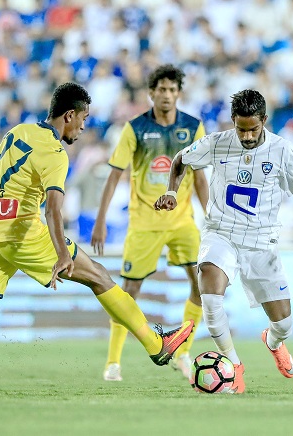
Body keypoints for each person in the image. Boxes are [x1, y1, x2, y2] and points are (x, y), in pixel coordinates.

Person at [0, 82, 194, 396]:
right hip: (23, 234)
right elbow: (54, 210)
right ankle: (157, 346)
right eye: (83, 119)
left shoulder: (18, 131)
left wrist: (6, 197)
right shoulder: (55, 153)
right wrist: (61, 253)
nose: (84, 127)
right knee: (98, 275)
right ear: (69, 115)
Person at [154, 89, 293, 394]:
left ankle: (273, 342)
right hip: (221, 232)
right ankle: (234, 366)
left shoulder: (283, 151)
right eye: (241, 129)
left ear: (264, 119)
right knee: (209, 292)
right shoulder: (217, 142)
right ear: (233, 122)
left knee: (284, 325)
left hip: (262, 243)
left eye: (253, 129)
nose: (247, 136)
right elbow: (181, 159)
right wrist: (172, 191)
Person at [91, 64, 208, 381]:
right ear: (151, 93)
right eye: (161, 89)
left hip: (183, 220)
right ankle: (113, 362)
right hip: (144, 221)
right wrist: (100, 220)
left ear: (178, 93)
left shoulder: (194, 127)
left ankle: (183, 352)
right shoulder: (135, 129)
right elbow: (114, 175)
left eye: (172, 90)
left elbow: (198, 179)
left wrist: (210, 215)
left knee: (202, 283)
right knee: (128, 291)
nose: (167, 95)